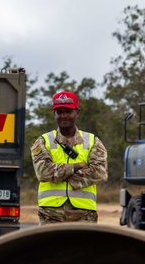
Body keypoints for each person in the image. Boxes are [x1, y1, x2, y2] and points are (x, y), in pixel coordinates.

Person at [31, 90, 108, 225]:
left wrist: (59, 175)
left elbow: (100, 173)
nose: (64, 115)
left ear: (77, 112)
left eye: (68, 111)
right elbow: (43, 173)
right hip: (51, 213)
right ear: (54, 114)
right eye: (59, 112)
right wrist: (77, 166)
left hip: (84, 213)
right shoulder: (43, 141)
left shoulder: (92, 141)